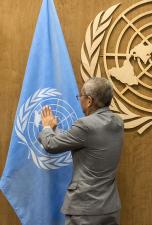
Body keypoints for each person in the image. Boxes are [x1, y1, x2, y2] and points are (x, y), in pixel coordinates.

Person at [38, 77, 124, 225]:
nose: (79, 100)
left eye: (80, 97)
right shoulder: (118, 122)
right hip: (109, 207)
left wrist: (46, 127)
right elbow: (83, 141)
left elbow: (51, 144)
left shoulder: (85, 125)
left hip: (85, 210)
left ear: (89, 100)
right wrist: (55, 130)